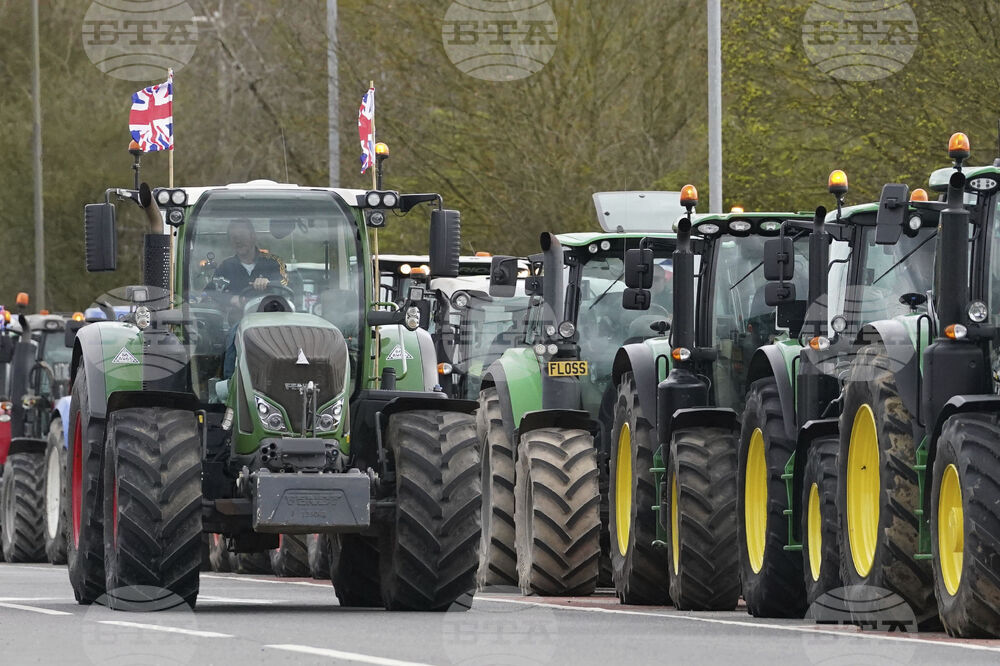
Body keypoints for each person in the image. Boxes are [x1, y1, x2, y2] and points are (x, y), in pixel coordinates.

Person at [211, 219, 289, 306]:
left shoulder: (275, 262)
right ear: (230, 242)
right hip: (236, 318)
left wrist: (269, 283)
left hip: (269, 316)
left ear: (253, 237)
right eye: (234, 237)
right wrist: (230, 299)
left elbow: (285, 283)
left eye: (242, 236)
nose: (238, 241)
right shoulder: (224, 267)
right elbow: (209, 293)